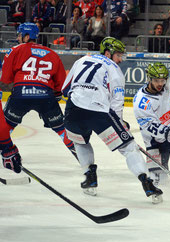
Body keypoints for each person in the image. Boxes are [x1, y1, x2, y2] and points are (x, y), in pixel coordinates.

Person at [62, 37, 163, 203]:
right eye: (118, 55)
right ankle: (147, 183)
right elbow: (116, 104)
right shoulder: (115, 70)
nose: (121, 59)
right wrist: (121, 123)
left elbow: (65, 89)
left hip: (73, 109)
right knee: (129, 148)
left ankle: (90, 177)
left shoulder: (82, 59)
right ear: (107, 53)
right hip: (99, 111)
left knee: (80, 142)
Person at [0, 23, 77, 163]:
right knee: (61, 129)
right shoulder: (52, 53)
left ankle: (7, 153)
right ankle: (84, 160)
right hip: (45, 96)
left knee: (6, 126)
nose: (18, 38)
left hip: (20, 95)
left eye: (19, 35)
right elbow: (61, 85)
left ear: (27, 36)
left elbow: (5, 79)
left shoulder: (14, 50)